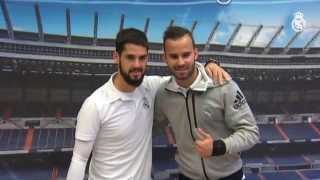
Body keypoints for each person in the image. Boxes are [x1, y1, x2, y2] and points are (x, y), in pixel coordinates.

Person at [66, 28, 230, 180]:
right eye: (130, 57)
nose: (137, 65)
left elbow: (187, 75)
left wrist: (210, 64)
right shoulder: (95, 104)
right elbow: (79, 159)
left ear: (147, 58)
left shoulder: (152, 87)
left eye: (142, 58)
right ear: (116, 57)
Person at [154, 26, 260, 180]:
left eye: (186, 55)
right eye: (174, 56)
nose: (181, 62)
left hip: (229, 176)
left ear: (195, 53)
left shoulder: (223, 85)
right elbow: (155, 126)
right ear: (165, 59)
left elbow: (251, 132)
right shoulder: (163, 93)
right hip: (187, 176)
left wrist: (218, 146)